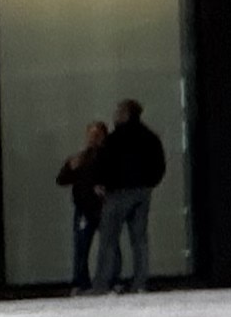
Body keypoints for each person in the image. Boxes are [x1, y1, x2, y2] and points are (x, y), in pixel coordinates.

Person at [97, 98, 169, 292]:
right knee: (139, 240)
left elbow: (105, 163)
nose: (115, 114)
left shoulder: (115, 139)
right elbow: (160, 166)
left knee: (109, 239)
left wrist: (103, 183)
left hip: (118, 193)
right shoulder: (150, 137)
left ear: (126, 114)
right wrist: (149, 184)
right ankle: (140, 283)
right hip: (143, 193)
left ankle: (103, 284)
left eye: (118, 111)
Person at [58, 120, 109, 293]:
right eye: (90, 135)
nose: (92, 139)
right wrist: (70, 168)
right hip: (84, 209)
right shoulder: (80, 158)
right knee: (81, 247)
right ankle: (81, 282)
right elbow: (62, 180)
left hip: (103, 208)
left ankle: (109, 280)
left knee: (109, 247)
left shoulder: (109, 157)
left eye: (96, 135)